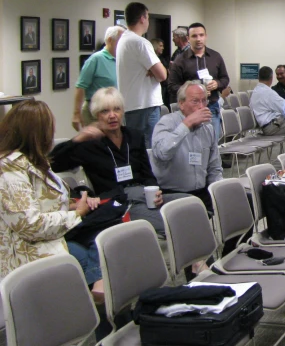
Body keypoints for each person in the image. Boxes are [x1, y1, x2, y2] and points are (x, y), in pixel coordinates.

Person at [51, 87, 190, 238]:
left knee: (190, 206)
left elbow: (147, 173)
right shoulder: (89, 145)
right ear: (97, 115)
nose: (112, 116)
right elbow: (54, 163)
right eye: (105, 111)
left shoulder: (134, 136)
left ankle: (198, 260)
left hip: (145, 194)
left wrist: (155, 191)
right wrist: (77, 139)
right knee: (173, 224)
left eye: (116, 109)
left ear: (122, 111)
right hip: (121, 202)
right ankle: (195, 261)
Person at [0, 100, 101, 294]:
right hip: (29, 255)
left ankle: (105, 309)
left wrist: (71, 206)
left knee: (102, 247)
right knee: (96, 262)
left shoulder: (33, 162)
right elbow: (30, 225)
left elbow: (37, 202)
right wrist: (76, 214)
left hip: (51, 239)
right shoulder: (9, 171)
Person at [151, 82, 222, 212]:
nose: (201, 106)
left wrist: (218, 191)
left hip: (201, 192)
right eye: (195, 101)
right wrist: (187, 124)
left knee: (240, 204)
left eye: (204, 101)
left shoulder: (208, 128)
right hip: (172, 194)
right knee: (196, 212)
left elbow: (214, 168)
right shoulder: (167, 122)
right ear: (181, 104)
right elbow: (162, 153)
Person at [116, 2, 167, 147]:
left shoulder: (124, 40)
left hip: (131, 105)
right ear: (143, 18)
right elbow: (163, 75)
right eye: (148, 17)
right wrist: (156, 69)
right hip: (145, 105)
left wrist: (152, 70)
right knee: (149, 149)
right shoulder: (140, 43)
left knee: (135, 148)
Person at [168, 22, 230, 139]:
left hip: (211, 107)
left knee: (212, 144)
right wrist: (191, 92)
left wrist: (217, 84)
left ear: (205, 36)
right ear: (188, 39)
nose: (198, 39)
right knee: (192, 145)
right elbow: (172, 86)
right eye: (194, 36)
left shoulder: (215, 57)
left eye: (201, 35)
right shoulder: (180, 60)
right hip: (190, 110)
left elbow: (225, 79)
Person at [73, 25, 125, 131]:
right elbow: (80, 87)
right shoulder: (95, 59)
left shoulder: (122, 60)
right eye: (121, 41)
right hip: (95, 113)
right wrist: (76, 114)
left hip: (114, 112)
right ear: (110, 40)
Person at [251, 66, 285, 136]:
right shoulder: (268, 93)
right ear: (271, 78)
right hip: (272, 127)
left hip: (269, 125)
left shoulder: (256, 91)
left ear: (258, 77)